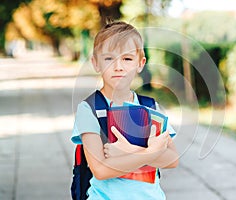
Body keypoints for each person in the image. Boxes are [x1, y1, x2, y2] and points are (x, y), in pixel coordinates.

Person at [71, 21, 179, 200]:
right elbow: (100, 170)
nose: (118, 66)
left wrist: (128, 151)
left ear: (140, 63)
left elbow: (172, 159)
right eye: (108, 59)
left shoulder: (150, 107)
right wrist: (149, 152)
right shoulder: (89, 109)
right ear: (96, 63)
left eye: (127, 59)